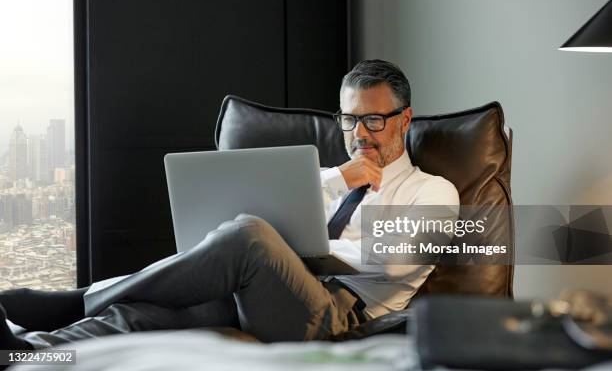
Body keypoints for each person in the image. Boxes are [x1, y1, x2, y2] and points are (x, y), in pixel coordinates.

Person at [0, 59, 459, 350]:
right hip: (254, 291)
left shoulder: (433, 192)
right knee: (141, 315)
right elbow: (244, 217)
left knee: (252, 235)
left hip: (333, 315)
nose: (360, 134)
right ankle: (30, 349)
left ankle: (75, 302)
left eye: (375, 120)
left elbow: (398, 263)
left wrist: (295, 251)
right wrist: (339, 179)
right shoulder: (320, 179)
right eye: (349, 119)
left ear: (405, 120)